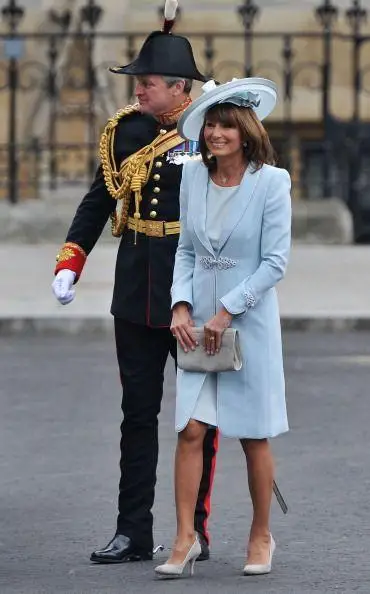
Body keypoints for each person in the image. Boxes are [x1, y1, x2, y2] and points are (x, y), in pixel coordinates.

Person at [51, 0, 218, 564]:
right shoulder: (125, 133)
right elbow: (100, 199)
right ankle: (132, 531)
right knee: (137, 416)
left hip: (192, 292)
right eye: (138, 83)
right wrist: (71, 260)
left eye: (146, 83)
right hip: (135, 288)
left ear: (179, 88)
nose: (137, 91)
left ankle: (194, 529)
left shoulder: (212, 132)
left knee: (199, 418)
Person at [154, 77, 292, 578]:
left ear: (245, 131)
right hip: (197, 327)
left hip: (247, 321)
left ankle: (261, 535)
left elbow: (275, 262)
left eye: (226, 126)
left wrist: (228, 309)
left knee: (253, 435)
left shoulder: (272, 183)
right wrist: (180, 307)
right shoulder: (192, 177)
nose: (216, 134)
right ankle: (184, 537)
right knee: (190, 429)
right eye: (210, 124)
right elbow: (186, 250)